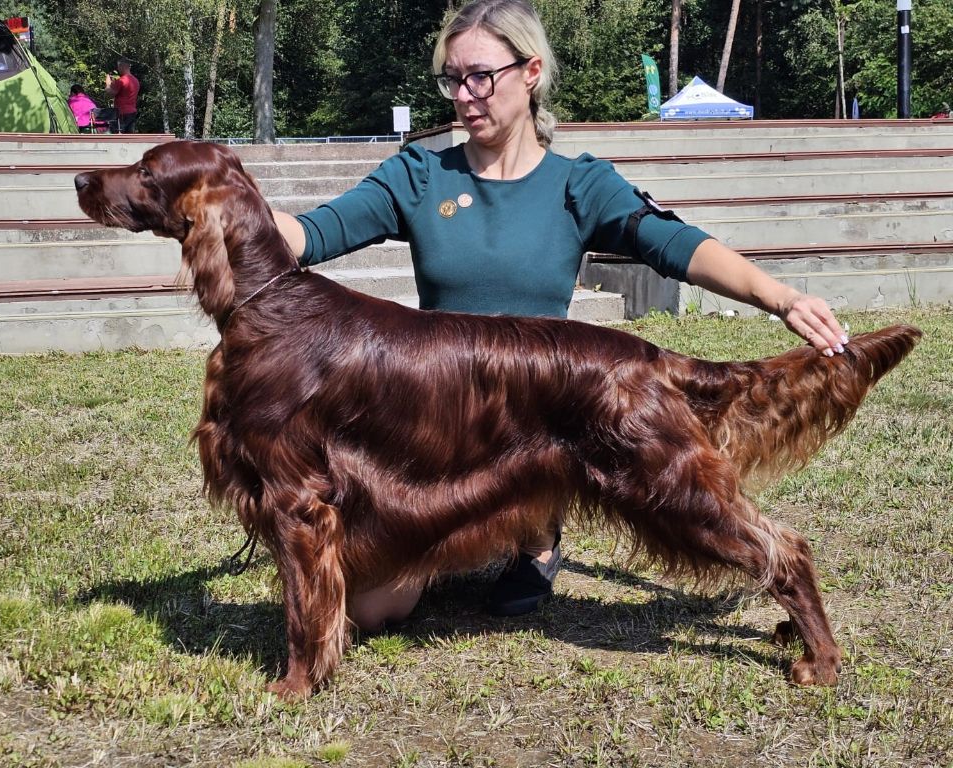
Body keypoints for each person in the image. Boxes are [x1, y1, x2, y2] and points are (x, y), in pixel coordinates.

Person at [269, 0, 849, 631]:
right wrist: (215, 191)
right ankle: (454, 534)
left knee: (668, 501)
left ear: (531, 72)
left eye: (480, 77)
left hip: (546, 425)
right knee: (371, 608)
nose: (465, 96)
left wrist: (782, 298)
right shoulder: (420, 174)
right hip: (442, 430)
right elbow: (304, 237)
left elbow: (675, 244)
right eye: (452, 79)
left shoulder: (577, 184)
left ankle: (536, 536)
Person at [104, 58, 140, 133]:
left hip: (121, 113)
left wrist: (108, 84)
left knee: (115, 135)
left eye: (118, 67)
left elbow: (109, 95)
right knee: (129, 137)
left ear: (122, 66)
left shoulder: (121, 80)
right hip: (132, 113)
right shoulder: (136, 81)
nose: (118, 69)